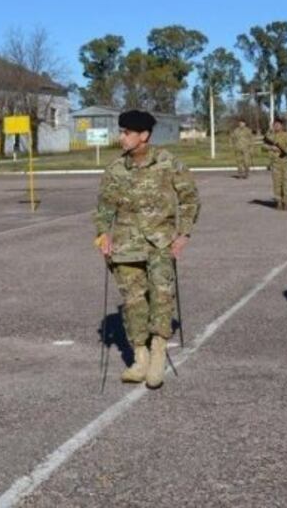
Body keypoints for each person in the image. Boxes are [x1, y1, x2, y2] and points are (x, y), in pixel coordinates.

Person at [94, 110, 200, 390]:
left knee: (162, 297)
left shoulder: (167, 163)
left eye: (126, 132)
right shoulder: (115, 169)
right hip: (126, 245)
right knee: (133, 301)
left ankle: (157, 354)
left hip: (159, 243)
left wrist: (184, 233)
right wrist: (103, 235)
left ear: (144, 135)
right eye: (121, 132)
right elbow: (104, 208)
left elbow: (189, 198)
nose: (121, 137)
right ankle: (139, 356)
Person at [262, 116, 287, 210]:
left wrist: (285, 150)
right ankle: (278, 202)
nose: (276, 127)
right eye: (275, 125)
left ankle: (286, 202)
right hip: (275, 163)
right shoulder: (271, 136)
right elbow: (263, 146)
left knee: (286, 183)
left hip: (285, 163)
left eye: (278, 125)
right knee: (277, 183)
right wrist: (271, 148)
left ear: (282, 126)